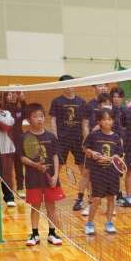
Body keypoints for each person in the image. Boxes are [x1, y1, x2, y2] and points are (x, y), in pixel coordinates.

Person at [21, 103, 63, 247]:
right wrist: (35, 165)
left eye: (41, 116)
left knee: (51, 206)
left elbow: (55, 156)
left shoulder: (51, 136)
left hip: (50, 178)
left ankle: (52, 233)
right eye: (35, 116)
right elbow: (22, 158)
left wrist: (56, 175)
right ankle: (34, 234)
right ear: (29, 119)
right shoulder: (25, 137)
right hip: (33, 178)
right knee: (35, 206)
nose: (39, 119)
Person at [49, 76, 88, 212]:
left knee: (84, 169)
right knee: (56, 168)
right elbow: (53, 120)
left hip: (78, 139)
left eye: (70, 84)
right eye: (65, 84)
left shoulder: (81, 102)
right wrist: (55, 136)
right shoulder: (57, 101)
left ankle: (88, 196)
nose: (68, 86)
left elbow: (84, 122)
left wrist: (86, 139)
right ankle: (52, 194)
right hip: (62, 140)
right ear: (61, 86)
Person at [83, 109, 123, 235]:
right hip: (98, 173)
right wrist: (92, 153)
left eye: (109, 119)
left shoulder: (116, 137)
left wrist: (112, 158)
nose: (107, 122)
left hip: (112, 173)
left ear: (113, 121)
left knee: (111, 198)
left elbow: (119, 155)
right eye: (104, 119)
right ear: (99, 121)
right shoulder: (94, 135)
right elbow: (85, 148)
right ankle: (89, 223)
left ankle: (109, 223)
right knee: (96, 199)